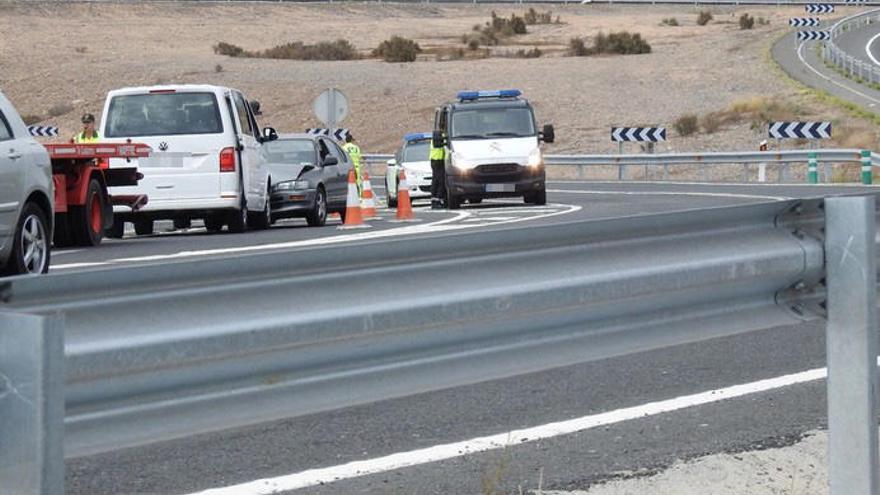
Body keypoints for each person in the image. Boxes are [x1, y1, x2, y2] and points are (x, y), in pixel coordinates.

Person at [429, 133, 446, 209]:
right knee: (440, 182)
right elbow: (439, 144)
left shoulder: (440, 136)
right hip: (436, 161)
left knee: (436, 181)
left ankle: (435, 200)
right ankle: (436, 200)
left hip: (439, 161)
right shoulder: (437, 136)